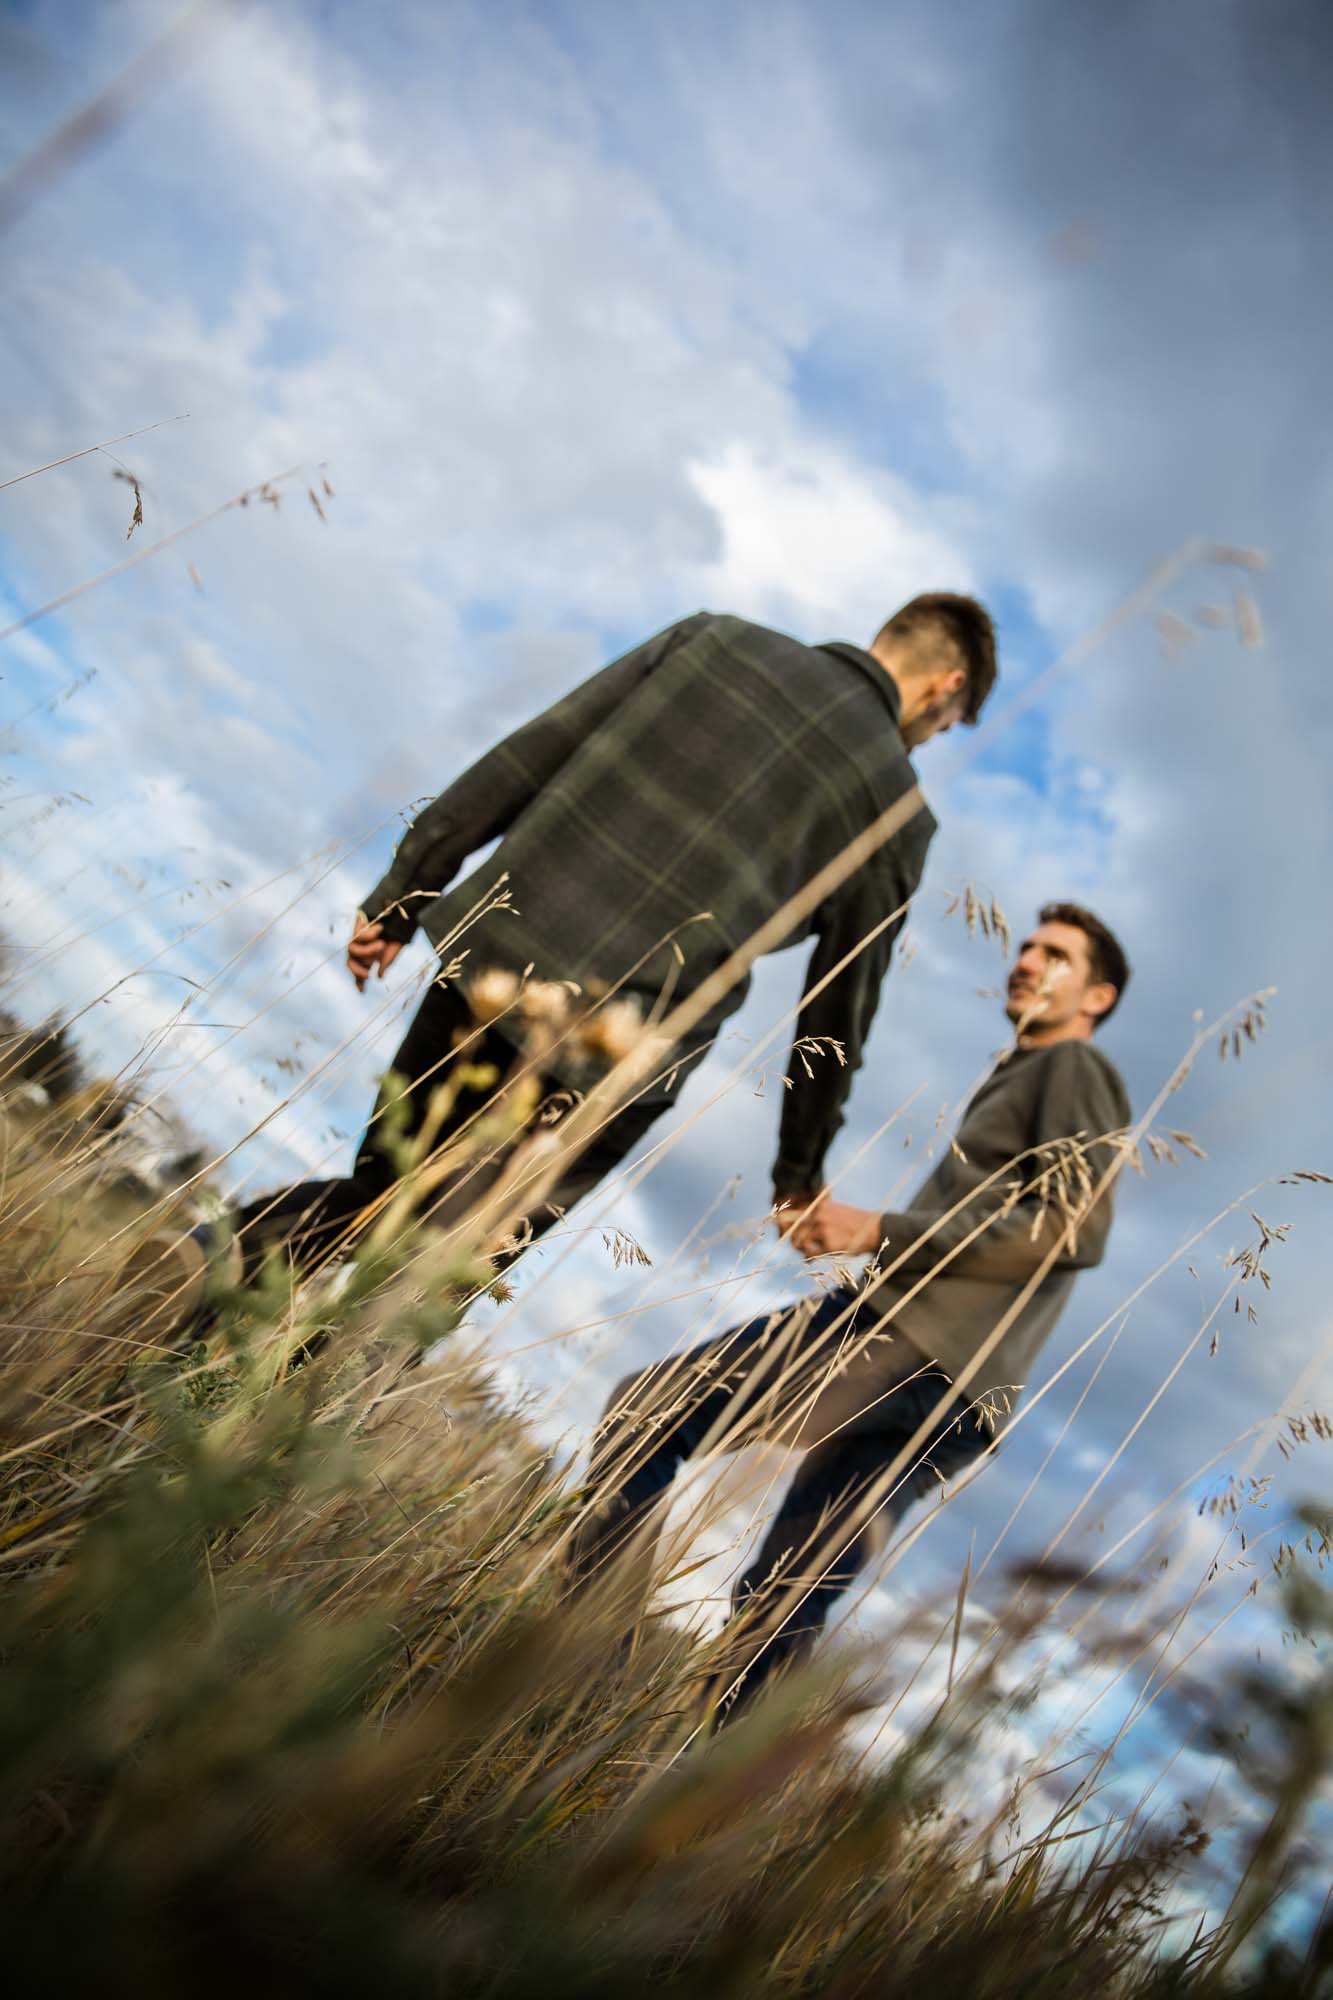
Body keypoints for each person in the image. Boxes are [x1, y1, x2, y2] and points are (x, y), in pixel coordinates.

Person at [120, 596, 996, 1335]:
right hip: (621, 1050)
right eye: (945, 724)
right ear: (945, 686)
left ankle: (213, 1268)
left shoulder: (712, 639)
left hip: (499, 960)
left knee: (384, 1190)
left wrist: (406, 889)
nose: (929, 738)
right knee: (444, 1267)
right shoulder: (898, 813)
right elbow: (837, 1014)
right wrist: (797, 1175)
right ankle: (280, 1444)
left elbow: (533, 751)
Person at [567, 903, 1132, 1718]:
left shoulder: (1071, 1071)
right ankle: (689, 1815)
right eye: (1026, 947)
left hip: (902, 1339)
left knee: (650, 1410)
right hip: (959, 1394)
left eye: (1056, 956)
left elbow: (1072, 1225)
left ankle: (576, 1675)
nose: (1028, 961)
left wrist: (881, 1230)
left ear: (1096, 998)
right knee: (783, 1600)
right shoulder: (1022, 1072)